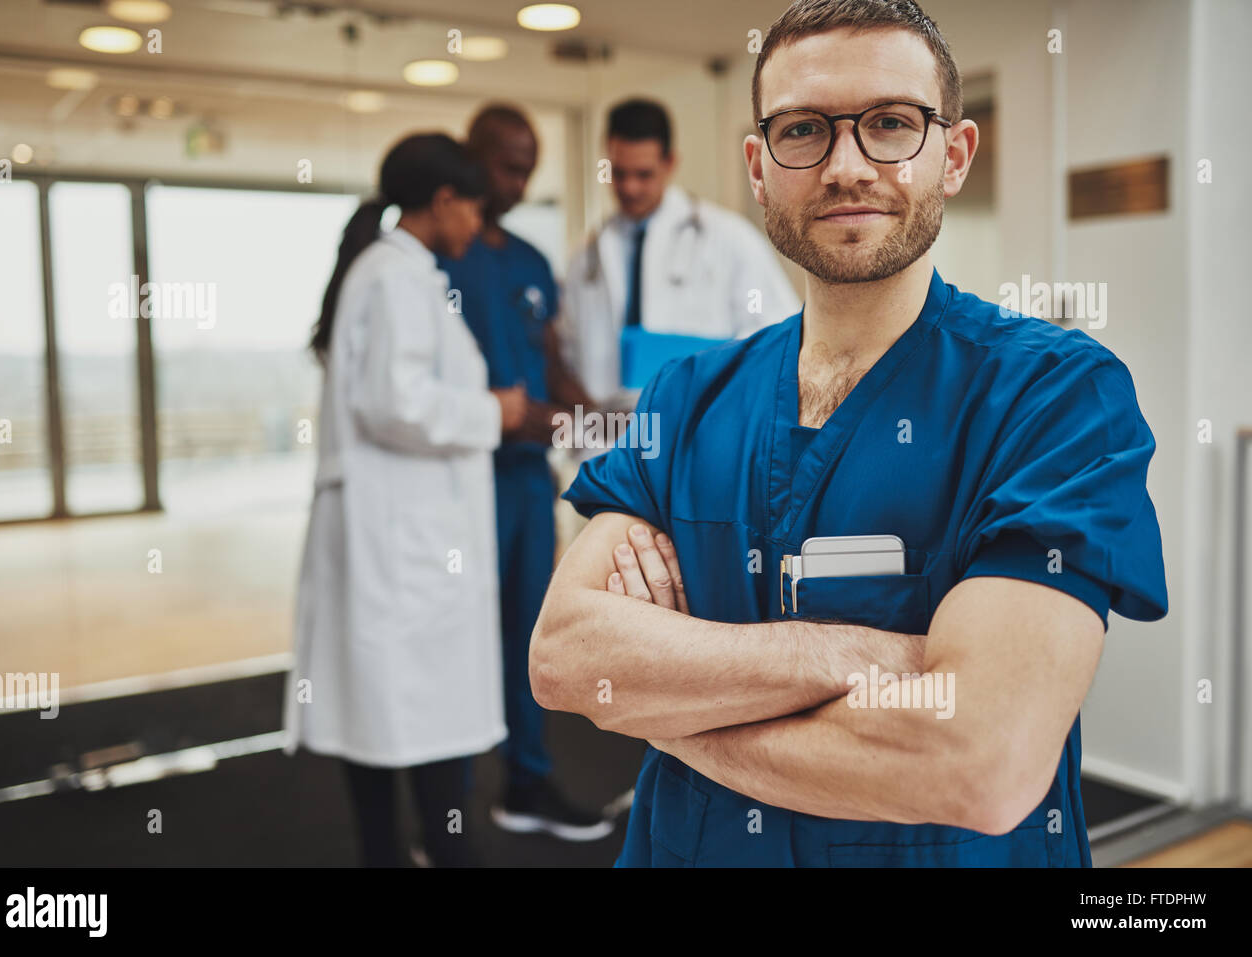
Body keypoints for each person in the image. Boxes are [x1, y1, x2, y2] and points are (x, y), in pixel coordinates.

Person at [530, 0, 1168, 867]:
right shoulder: (686, 399)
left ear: (954, 154)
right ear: (758, 166)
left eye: (891, 124)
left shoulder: (1056, 398)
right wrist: (852, 654)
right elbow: (567, 659)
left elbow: (981, 760)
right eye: (803, 132)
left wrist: (672, 714)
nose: (846, 166)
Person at [283, 133, 528, 867]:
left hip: (397, 533)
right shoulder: (395, 277)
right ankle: (441, 854)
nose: (477, 225)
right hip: (400, 539)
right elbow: (395, 402)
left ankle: (397, 853)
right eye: (473, 207)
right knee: (417, 712)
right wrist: (496, 412)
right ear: (446, 201)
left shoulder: (397, 271)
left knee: (389, 710)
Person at [436, 105, 612, 842]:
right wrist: (552, 419)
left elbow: (551, 362)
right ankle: (440, 808)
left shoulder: (531, 262)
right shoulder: (431, 258)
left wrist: (598, 421)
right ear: (471, 160)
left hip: (523, 481)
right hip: (450, 486)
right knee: (448, 637)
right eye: (507, 164)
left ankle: (527, 781)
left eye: (528, 165)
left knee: (526, 632)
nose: (518, 179)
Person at [560, 97, 801, 409]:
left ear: (670, 163)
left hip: (701, 424)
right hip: (611, 438)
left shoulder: (729, 239)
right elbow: (566, 352)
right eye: (619, 174)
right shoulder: (586, 256)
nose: (630, 187)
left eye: (643, 174)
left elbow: (778, 335)